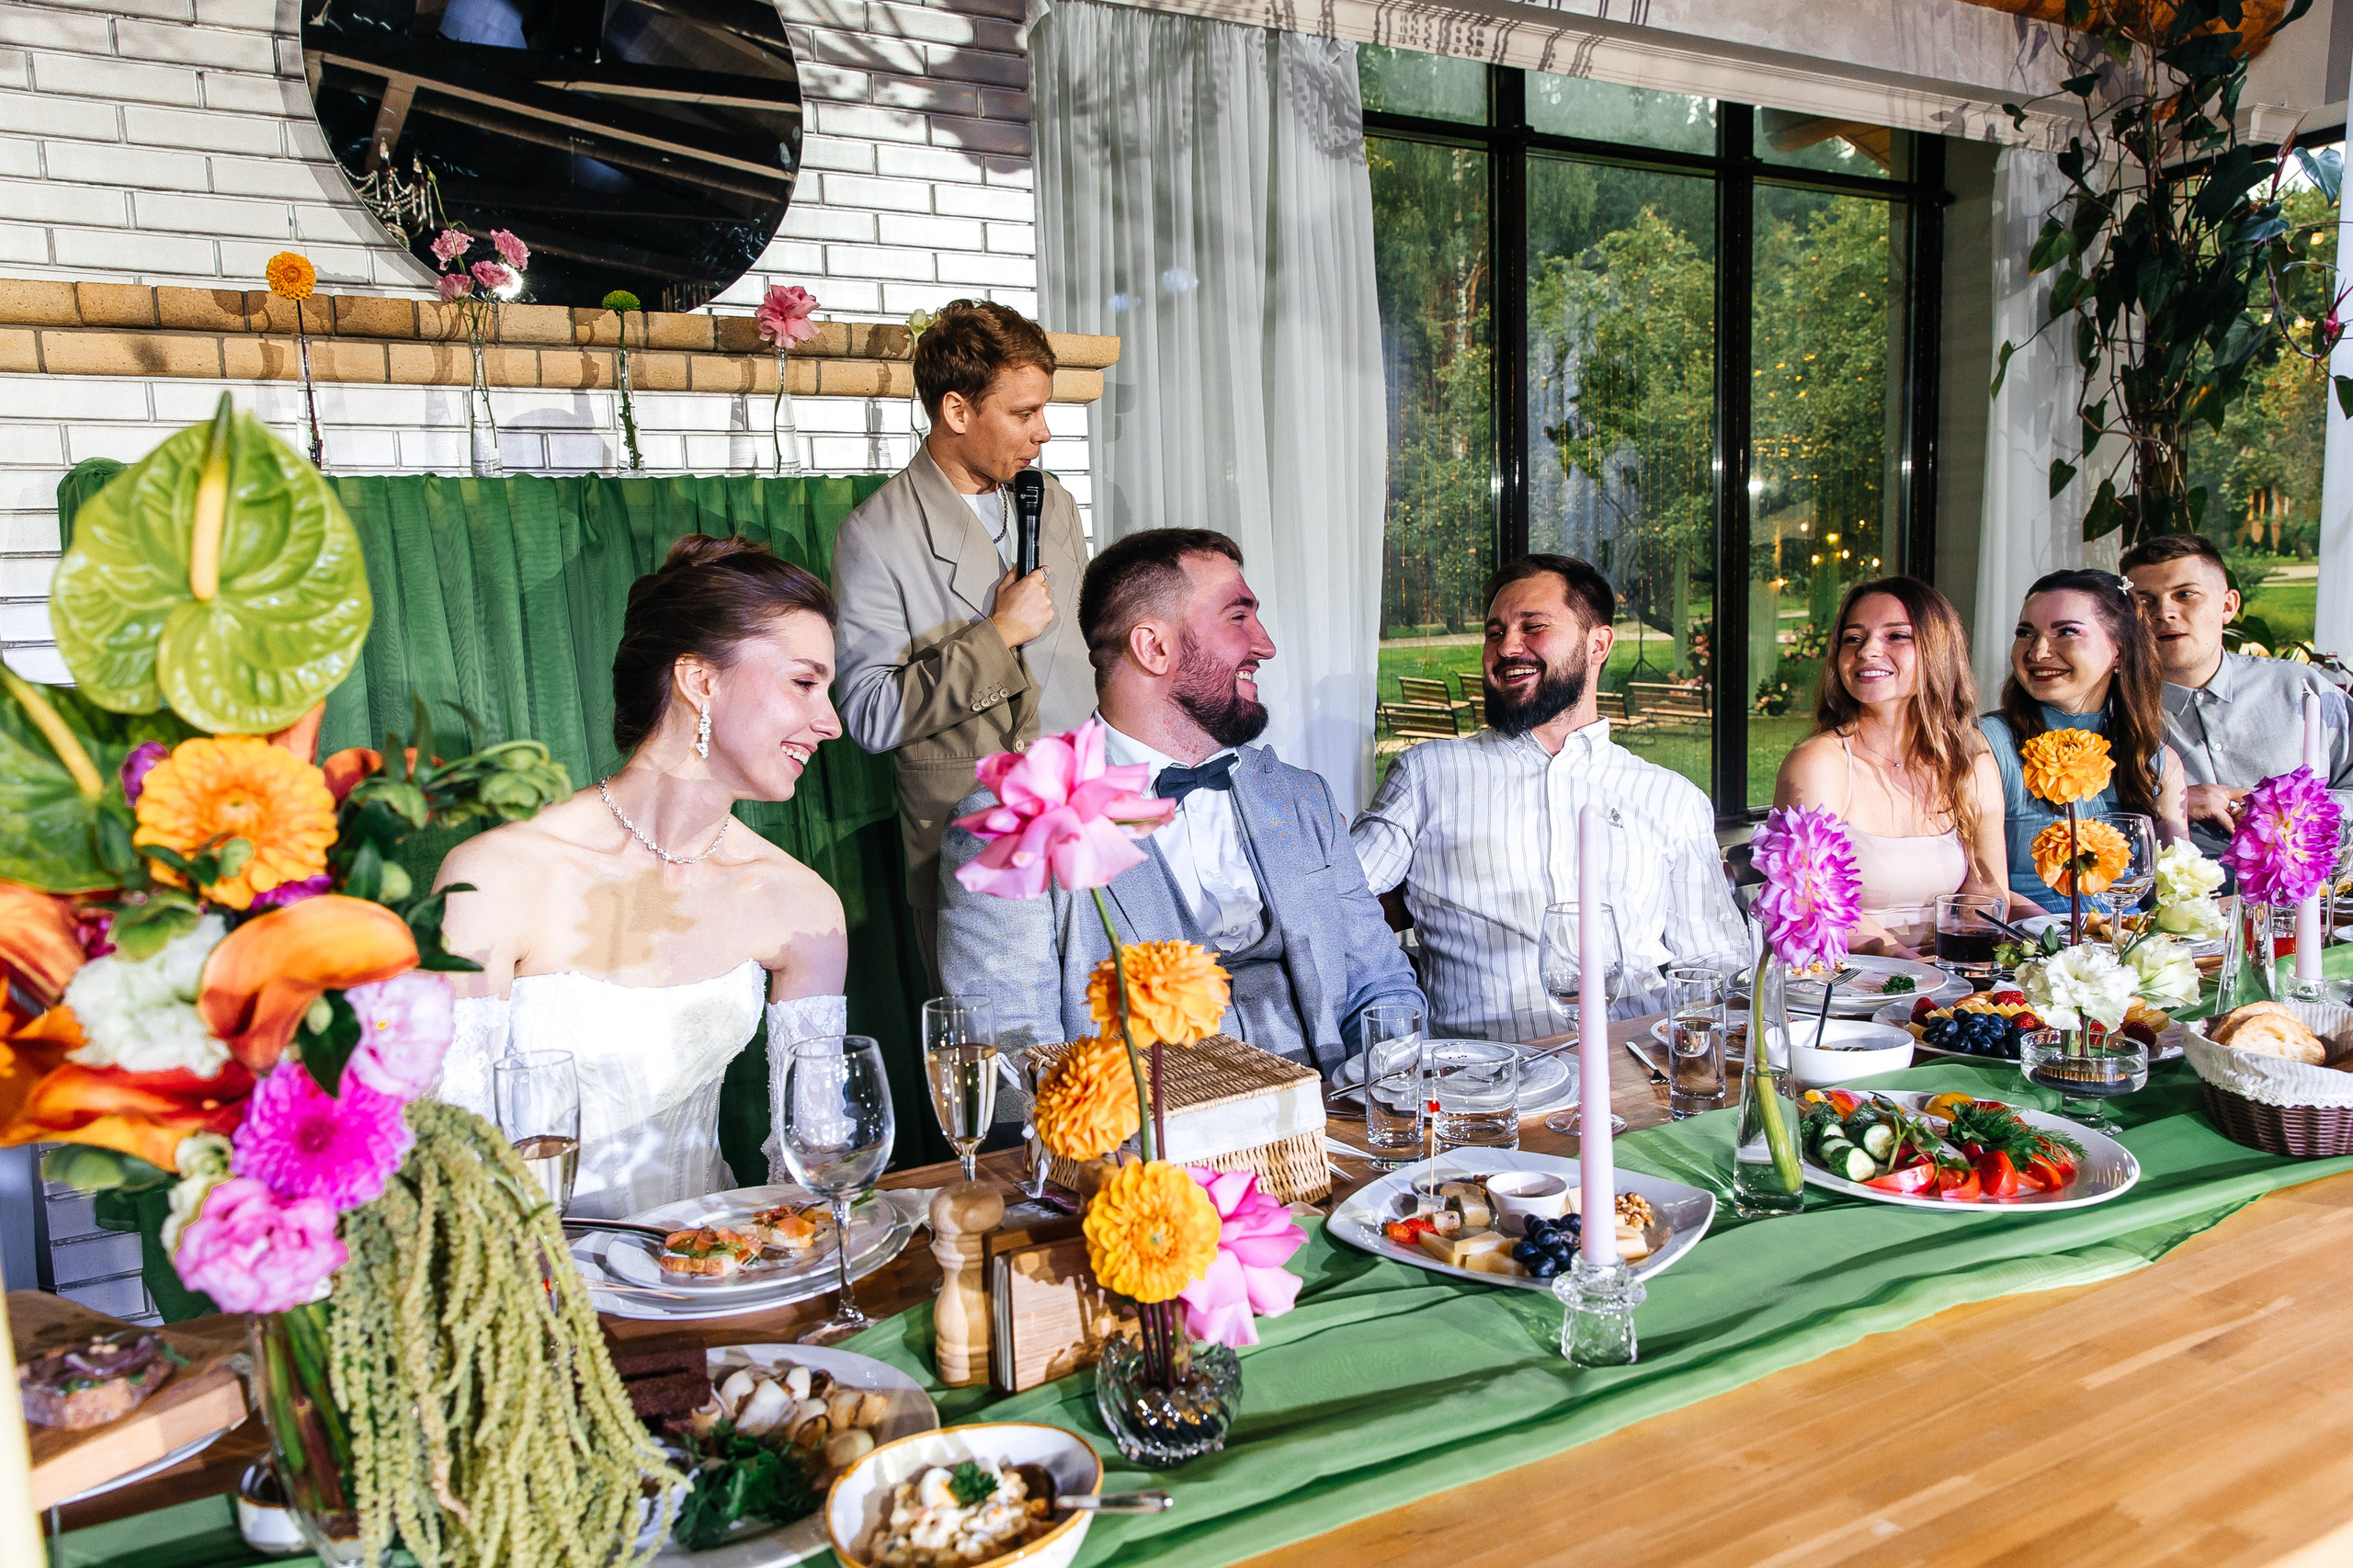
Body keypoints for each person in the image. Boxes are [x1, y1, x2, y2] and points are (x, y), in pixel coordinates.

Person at [431, 537, 850, 1218]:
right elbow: (446, 1158)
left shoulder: (802, 905)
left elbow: (813, 1166)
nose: (830, 723)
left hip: (713, 1262)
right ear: (700, 681)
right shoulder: (496, 877)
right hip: (531, 1267)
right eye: (804, 683)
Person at [936, 528, 1424, 1074]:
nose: (1265, 644)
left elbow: (1381, 984)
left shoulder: (1302, 798)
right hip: (1150, 1127)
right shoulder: (1014, 824)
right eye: (1238, 617)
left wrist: (1383, 1089)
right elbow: (1011, 1056)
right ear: (1154, 647)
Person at [1350, 555, 1748, 1041]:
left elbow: (1716, 962)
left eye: (1533, 627)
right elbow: (1334, 896)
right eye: (1495, 633)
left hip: (1634, 1059)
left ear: (1598, 644)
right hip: (1486, 1070)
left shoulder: (1670, 797)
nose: (1507, 647)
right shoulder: (1427, 775)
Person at [831, 301, 1096, 981]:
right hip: (971, 850)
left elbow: (1083, 658)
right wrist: (997, 636)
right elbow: (870, 714)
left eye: (1043, 411)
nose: (1043, 433)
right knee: (998, 1047)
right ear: (956, 410)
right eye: (1024, 413)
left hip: (1086, 832)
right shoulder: (875, 534)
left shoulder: (1055, 504)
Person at [1773, 577, 2010, 957]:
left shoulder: (1968, 755)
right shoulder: (1818, 762)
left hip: (1944, 971)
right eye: (1853, 638)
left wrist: (1969, 962)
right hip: (1846, 976)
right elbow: (1809, 902)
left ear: (1938, 650)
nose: (1867, 651)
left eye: (1896, 636)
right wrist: (1917, 971)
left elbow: (1987, 886)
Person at [2120, 530, 2353, 858]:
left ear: (2228, 606)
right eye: (2144, 602)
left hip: (2304, 885)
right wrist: (2172, 802)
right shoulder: (2113, 709)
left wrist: (2301, 814)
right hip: (2169, 889)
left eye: (2185, 594)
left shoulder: (2299, 688)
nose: (2165, 612)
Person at [1979, 568, 2188, 915]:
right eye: (2025, 633)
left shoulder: (2155, 760)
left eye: (2066, 632)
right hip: (2028, 940)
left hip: (2128, 941)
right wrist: (2069, 940)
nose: (2038, 651)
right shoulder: (1986, 744)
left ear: (2120, 651)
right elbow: (1980, 888)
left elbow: (2176, 894)